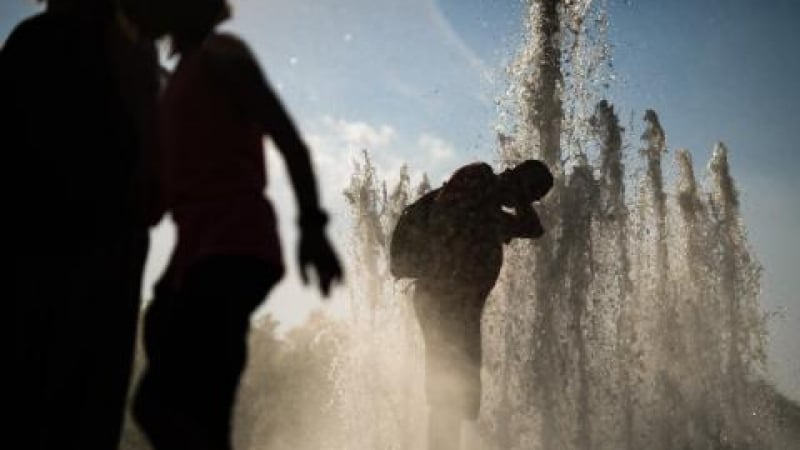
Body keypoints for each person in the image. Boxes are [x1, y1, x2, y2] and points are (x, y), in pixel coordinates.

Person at [129, 1, 343, 449]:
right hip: (196, 254)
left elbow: (287, 138)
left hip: (234, 246)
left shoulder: (220, 53)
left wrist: (312, 227)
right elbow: (159, 199)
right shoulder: (175, 82)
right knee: (182, 398)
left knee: (163, 405)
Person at [3, 1, 162, 449]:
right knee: (81, 400)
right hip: (93, 251)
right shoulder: (122, 45)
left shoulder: (34, 41)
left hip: (60, 252)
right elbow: (153, 182)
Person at [391, 160, 553, 450]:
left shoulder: (490, 214)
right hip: (443, 301)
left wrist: (518, 196)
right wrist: (448, 271)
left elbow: (533, 229)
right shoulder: (478, 177)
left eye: (533, 199)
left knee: (460, 393)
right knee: (448, 390)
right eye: (530, 193)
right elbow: (444, 215)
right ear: (518, 176)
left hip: (461, 308)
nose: (526, 203)